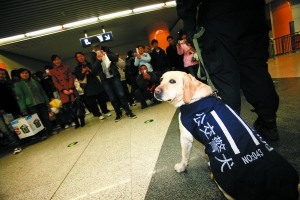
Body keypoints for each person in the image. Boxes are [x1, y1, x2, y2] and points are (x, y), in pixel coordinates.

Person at [176, 0, 280, 141]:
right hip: (253, 11)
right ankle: (269, 124)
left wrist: (189, 25)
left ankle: (232, 133)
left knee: (224, 75)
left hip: (218, 15)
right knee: (255, 69)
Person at [89, 36, 137, 122]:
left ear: (101, 44)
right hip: (105, 80)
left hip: (114, 76)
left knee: (121, 95)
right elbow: (94, 70)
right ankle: (118, 114)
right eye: (95, 47)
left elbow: (115, 58)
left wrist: (106, 54)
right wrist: (98, 60)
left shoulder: (107, 49)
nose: (97, 48)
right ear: (93, 47)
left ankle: (128, 112)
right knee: (112, 98)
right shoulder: (92, 55)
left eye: (98, 46)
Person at [14, 68, 58, 140]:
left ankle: (50, 131)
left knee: (46, 117)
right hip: (31, 105)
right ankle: (42, 134)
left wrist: (47, 101)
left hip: (41, 102)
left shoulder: (35, 82)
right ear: (19, 75)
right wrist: (23, 109)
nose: (25, 74)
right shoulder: (19, 85)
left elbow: (42, 92)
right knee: (37, 120)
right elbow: (20, 98)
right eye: (23, 73)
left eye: (26, 73)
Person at [50, 55, 85, 128]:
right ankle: (76, 122)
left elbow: (70, 77)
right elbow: (55, 82)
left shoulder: (67, 67)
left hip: (71, 89)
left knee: (78, 105)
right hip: (63, 92)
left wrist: (70, 88)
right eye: (55, 60)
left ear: (60, 59)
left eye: (58, 59)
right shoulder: (52, 71)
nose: (57, 61)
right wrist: (63, 90)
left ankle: (82, 120)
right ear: (53, 62)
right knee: (69, 108)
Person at [74, 52, 110, 120]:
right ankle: (98, 114)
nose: (80, 58)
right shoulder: (77, 68)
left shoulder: (90, 63)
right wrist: (83, 72)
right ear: (77, 59)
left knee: (101, 99)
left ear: (83, 56)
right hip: (87, 86)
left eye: (81, 56)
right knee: (92, 102)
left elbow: (95, 72)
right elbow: (79, 78)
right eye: (78, 57)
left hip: (95, 83)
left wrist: (89, 70)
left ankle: (105, 111)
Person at [0, 68, 22, 154]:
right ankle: (15, 145)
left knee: (16, 125)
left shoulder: (7, 83)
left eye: (3, 74)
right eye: (0, 74)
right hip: (2, 110)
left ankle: (21, 140)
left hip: (11, 108)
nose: (2, 76)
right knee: (4, 129)